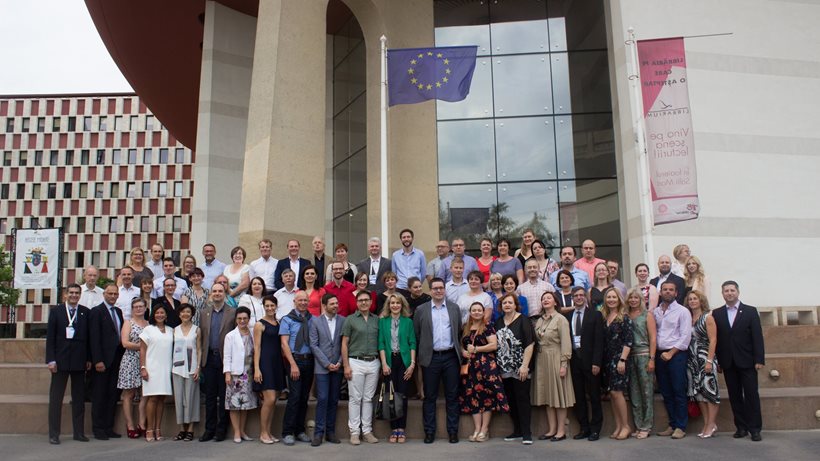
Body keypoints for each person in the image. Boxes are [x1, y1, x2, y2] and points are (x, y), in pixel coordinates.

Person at [712, 281, 764, 442]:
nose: (729, 293)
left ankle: (755, 429)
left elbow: (757, 337)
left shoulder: (750, 311)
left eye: (732, 290)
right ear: (722, 294)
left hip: (747, 361)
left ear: (738, 292)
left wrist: (759, 359)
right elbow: (718, 339)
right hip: (728, 362)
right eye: (726, 291)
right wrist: (719, 361)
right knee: (734, 396)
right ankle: (741, 427)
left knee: (751, 395)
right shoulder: (717, 313)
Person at [413, 277, 463, 444]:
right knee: (430, 397)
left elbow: (458, 332)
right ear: (430, 290)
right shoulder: (421, 310)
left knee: (452, 396)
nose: (438, 291)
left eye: (441, 288)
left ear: (444, 289)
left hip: (450, 357)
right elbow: (417, 333)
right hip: (431, 357)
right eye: (435, 288)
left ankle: (453, 431)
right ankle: (429, 432)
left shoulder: (454, 308)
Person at [46, 284, 90, 444]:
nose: (74, 295)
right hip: (60, 361)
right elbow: (50, 338)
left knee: (78, 399)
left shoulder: (85, 312)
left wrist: (88, 359)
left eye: (77, 293)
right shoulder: (56, 312)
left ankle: (78, 433)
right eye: (71, 293)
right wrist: (51, 360)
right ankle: (54, 434)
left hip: (79, 361)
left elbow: (88, 339)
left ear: (80, 295)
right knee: (56, 398)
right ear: (65, 294)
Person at [459, 302, 508, 442]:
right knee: (473, 396)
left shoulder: (487, 327)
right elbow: (461, 344)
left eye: (479, 310)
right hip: (470, 367)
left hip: (486, 366)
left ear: (483, 312)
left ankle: (484, 429)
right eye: (473, 310)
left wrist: (476, 350)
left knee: (487, 397)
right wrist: (463, 351)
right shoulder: (466, 328)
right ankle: (476, 428)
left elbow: (494, 345)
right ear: (470, 312)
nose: (476, 312)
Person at [532, 292, 575, 442]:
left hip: (556, 357)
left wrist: (564, 363)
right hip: (542, 359)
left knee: (559, 395)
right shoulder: (539, 321)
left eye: (548, 298)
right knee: (547, 395)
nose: (545, 300)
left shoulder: (560, 319)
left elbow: (566, 342)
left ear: (555, 302)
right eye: (543, 298)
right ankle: (551, 429)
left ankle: (561, 431)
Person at [565, 285, 606, 441]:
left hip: (591, 362)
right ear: (572, 298)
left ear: (586, 297)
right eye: (576, 295)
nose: (579, 298)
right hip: (574, 360)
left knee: (594, 395)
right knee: (578, 397)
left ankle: (596, 429)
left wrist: (597, 362)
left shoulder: (595, 315)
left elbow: (599, 341)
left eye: (582, 295)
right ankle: (584, 428)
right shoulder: (568, 317)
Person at [653, 281, 693, 439]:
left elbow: (685, 336)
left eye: (671, 290)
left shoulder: (683, 311)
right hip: (660, 355)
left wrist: (671, 353)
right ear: (660, 292)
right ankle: (672, 423)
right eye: (665, 290)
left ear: (676, 293)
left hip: (676, 355)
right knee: (666, 392)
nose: (668, 292)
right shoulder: (656, 312)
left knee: (678, 390)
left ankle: (681, 427)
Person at [494, 293, 536, 445]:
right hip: (504, 368)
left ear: (516, 304)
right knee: (511, 400)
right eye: (504, 303)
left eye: (510, 302)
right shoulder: (498, 322)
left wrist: (525, 365)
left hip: (520, 368)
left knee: (522, 399)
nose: (507, 305)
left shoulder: (524, 320)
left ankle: (527, 433)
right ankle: (517, 431)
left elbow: (530, 344)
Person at [341, 290, 381, 445]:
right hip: (355, 361)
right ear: (356, 303)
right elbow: (344, 343)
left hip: (373, 362)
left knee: (368, 398)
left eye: (366, 300)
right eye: (360, 300)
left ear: (371, 302)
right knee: (355, 398)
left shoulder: (377, 320)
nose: (364, 303)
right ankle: (355, 432)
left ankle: (367, 431)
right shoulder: (350, 320)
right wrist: (346, 365)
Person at [199, 283, 237, 442]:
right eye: (214, 291)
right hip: (209, 359)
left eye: (220, 291)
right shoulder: (203, 313)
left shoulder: (232, 312)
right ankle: (209, 429)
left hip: (224, 359)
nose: (217, 293)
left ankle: (221, 430)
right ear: (211, 294)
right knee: (210, 397)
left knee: (224, 396)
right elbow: (201, 337)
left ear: (225, 294)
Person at [378, 293, 417, 443]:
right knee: (391, 395)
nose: (395, 305)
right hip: (389, 361)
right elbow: (381, 343)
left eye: (397, 303)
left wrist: (412, 363)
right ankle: (394, 429)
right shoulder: (383, 322)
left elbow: (412, 342)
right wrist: (384, 363)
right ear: (389, 305)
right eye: (392, 303)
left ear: (402, 305)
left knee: (402, 394)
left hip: (404, 360)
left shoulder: (408, 322)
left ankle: (402, 428)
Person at [89, 283, 125, 440]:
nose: (112, 296)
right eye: (110, 294)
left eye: (115, 294)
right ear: (104, 294)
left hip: (116, 359)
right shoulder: (96, 312)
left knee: (112, 395)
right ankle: (98, 428)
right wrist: (97, 360)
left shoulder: (118, 311)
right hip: (102, 361)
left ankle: (109, 427)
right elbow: (94, 338)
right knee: (100, 395)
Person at [309, 293, 345, 446]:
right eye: (332, 304)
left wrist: (339, 362)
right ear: (324, 305)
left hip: (338, 366)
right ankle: (318, 433)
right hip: (322, 368)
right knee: (322, 399)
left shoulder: (343, 320)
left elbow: (345, 344)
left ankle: (330, 432)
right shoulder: (315, 322)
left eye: (337, 303)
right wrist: (326, 363)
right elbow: (314, 345)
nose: (335, 306)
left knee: (333, 400)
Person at [280, 291, 314, 445]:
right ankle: (287, 432)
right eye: (300, 300)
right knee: (294, 397)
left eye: (305, 300)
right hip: (295, 361)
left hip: (309, 360)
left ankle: (300, 430)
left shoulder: (312, 319)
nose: (303, 303)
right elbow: (284, 343)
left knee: (304, 397)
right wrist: (293, 364)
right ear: (294, 301)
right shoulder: (287, 319)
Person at [685, 290, 720, 438]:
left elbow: (713, 340)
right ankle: (706, 423)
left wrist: (709, 360)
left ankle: (712, 423)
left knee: (710, 392)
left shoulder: (708, 317)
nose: (692, 301)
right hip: (692, 360)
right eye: (690, 299)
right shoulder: (689, 317)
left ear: (701, 301)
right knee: (698, 393)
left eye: (695, 299)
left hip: (706, 357)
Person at [600, 287, 634, 440]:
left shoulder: (624, 317)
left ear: (619, 299)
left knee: (617, 392)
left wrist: (622, 360)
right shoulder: (605, 316)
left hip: (619, 359)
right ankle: (618, 425)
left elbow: (628, 340)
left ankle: (626, 426)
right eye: (609, 297)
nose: (611, 300)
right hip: (607, 359)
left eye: (614, 297)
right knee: (612, 394)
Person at [253, 295, 286, 444]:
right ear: (264, 307)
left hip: (277, 363)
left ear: (276, 306)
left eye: (272, 305)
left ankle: (269, 432)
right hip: (265, 363)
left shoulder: (279, 323)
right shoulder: (260, 324)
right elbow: (257, 347)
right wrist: (257, 369)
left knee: (274, 401)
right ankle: (262, 433)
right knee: (269, 399)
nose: (270, 308)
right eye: (267, 306)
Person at [139, 304, 174, 442]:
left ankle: (158, 429)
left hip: (166, 368)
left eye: (162, 313)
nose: (160, 315)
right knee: (152, 398)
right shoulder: (148, 329)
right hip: (152, 367)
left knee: (161, 399)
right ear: (154, 315)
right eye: (157, 313)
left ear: (166, 315)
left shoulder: (171, 330)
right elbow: (142, 350)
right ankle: (149, 429)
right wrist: (143, 367)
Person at [626, 288, 657, 440]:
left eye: (635, 298)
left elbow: (652, 338)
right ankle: (638, 425)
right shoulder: (625, 316)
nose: (633, 300)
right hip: (629, 356)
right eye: (630, 298)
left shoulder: (647, 315)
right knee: (634, 393)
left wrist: (652, 359)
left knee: (646, 392)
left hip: (644, 355)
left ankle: (647, 425)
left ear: (640, 300)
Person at [223, 306, 257, 443]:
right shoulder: (230, 335)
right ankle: (236, 432)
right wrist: (227, 373)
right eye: (239, 318)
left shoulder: (253, 333)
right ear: (236, 319)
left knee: (245, 405)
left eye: (245, 318)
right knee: (234, 405)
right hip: (235, 375)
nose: (242, 321)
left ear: (249, 319)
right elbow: (227, 356)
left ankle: (242, 431)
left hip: (249, 374)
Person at [118, 298, 149, 439]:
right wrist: (143, 347)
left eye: (141, 306)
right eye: (135, 307)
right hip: (130, 360)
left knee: (145, 393)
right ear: (132, 309)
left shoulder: (149, 324)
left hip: (145, 361)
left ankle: (142, 423)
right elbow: (125, 343)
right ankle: (130, 425)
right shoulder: (128, 323)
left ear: (145, 308)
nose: (138, 309)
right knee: (129, 394)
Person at [172, 304, 201, 441]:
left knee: (191, 398)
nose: (185, 314)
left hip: (192, 367)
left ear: (192, 314)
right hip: (177, 368)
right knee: (179, 399)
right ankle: (181, 429)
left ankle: (190, 429)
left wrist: (198, 367)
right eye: (183, 312)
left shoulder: (197, 330)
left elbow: (199, 349)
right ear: (179, 314)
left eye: (188, 312)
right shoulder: (174, 330)